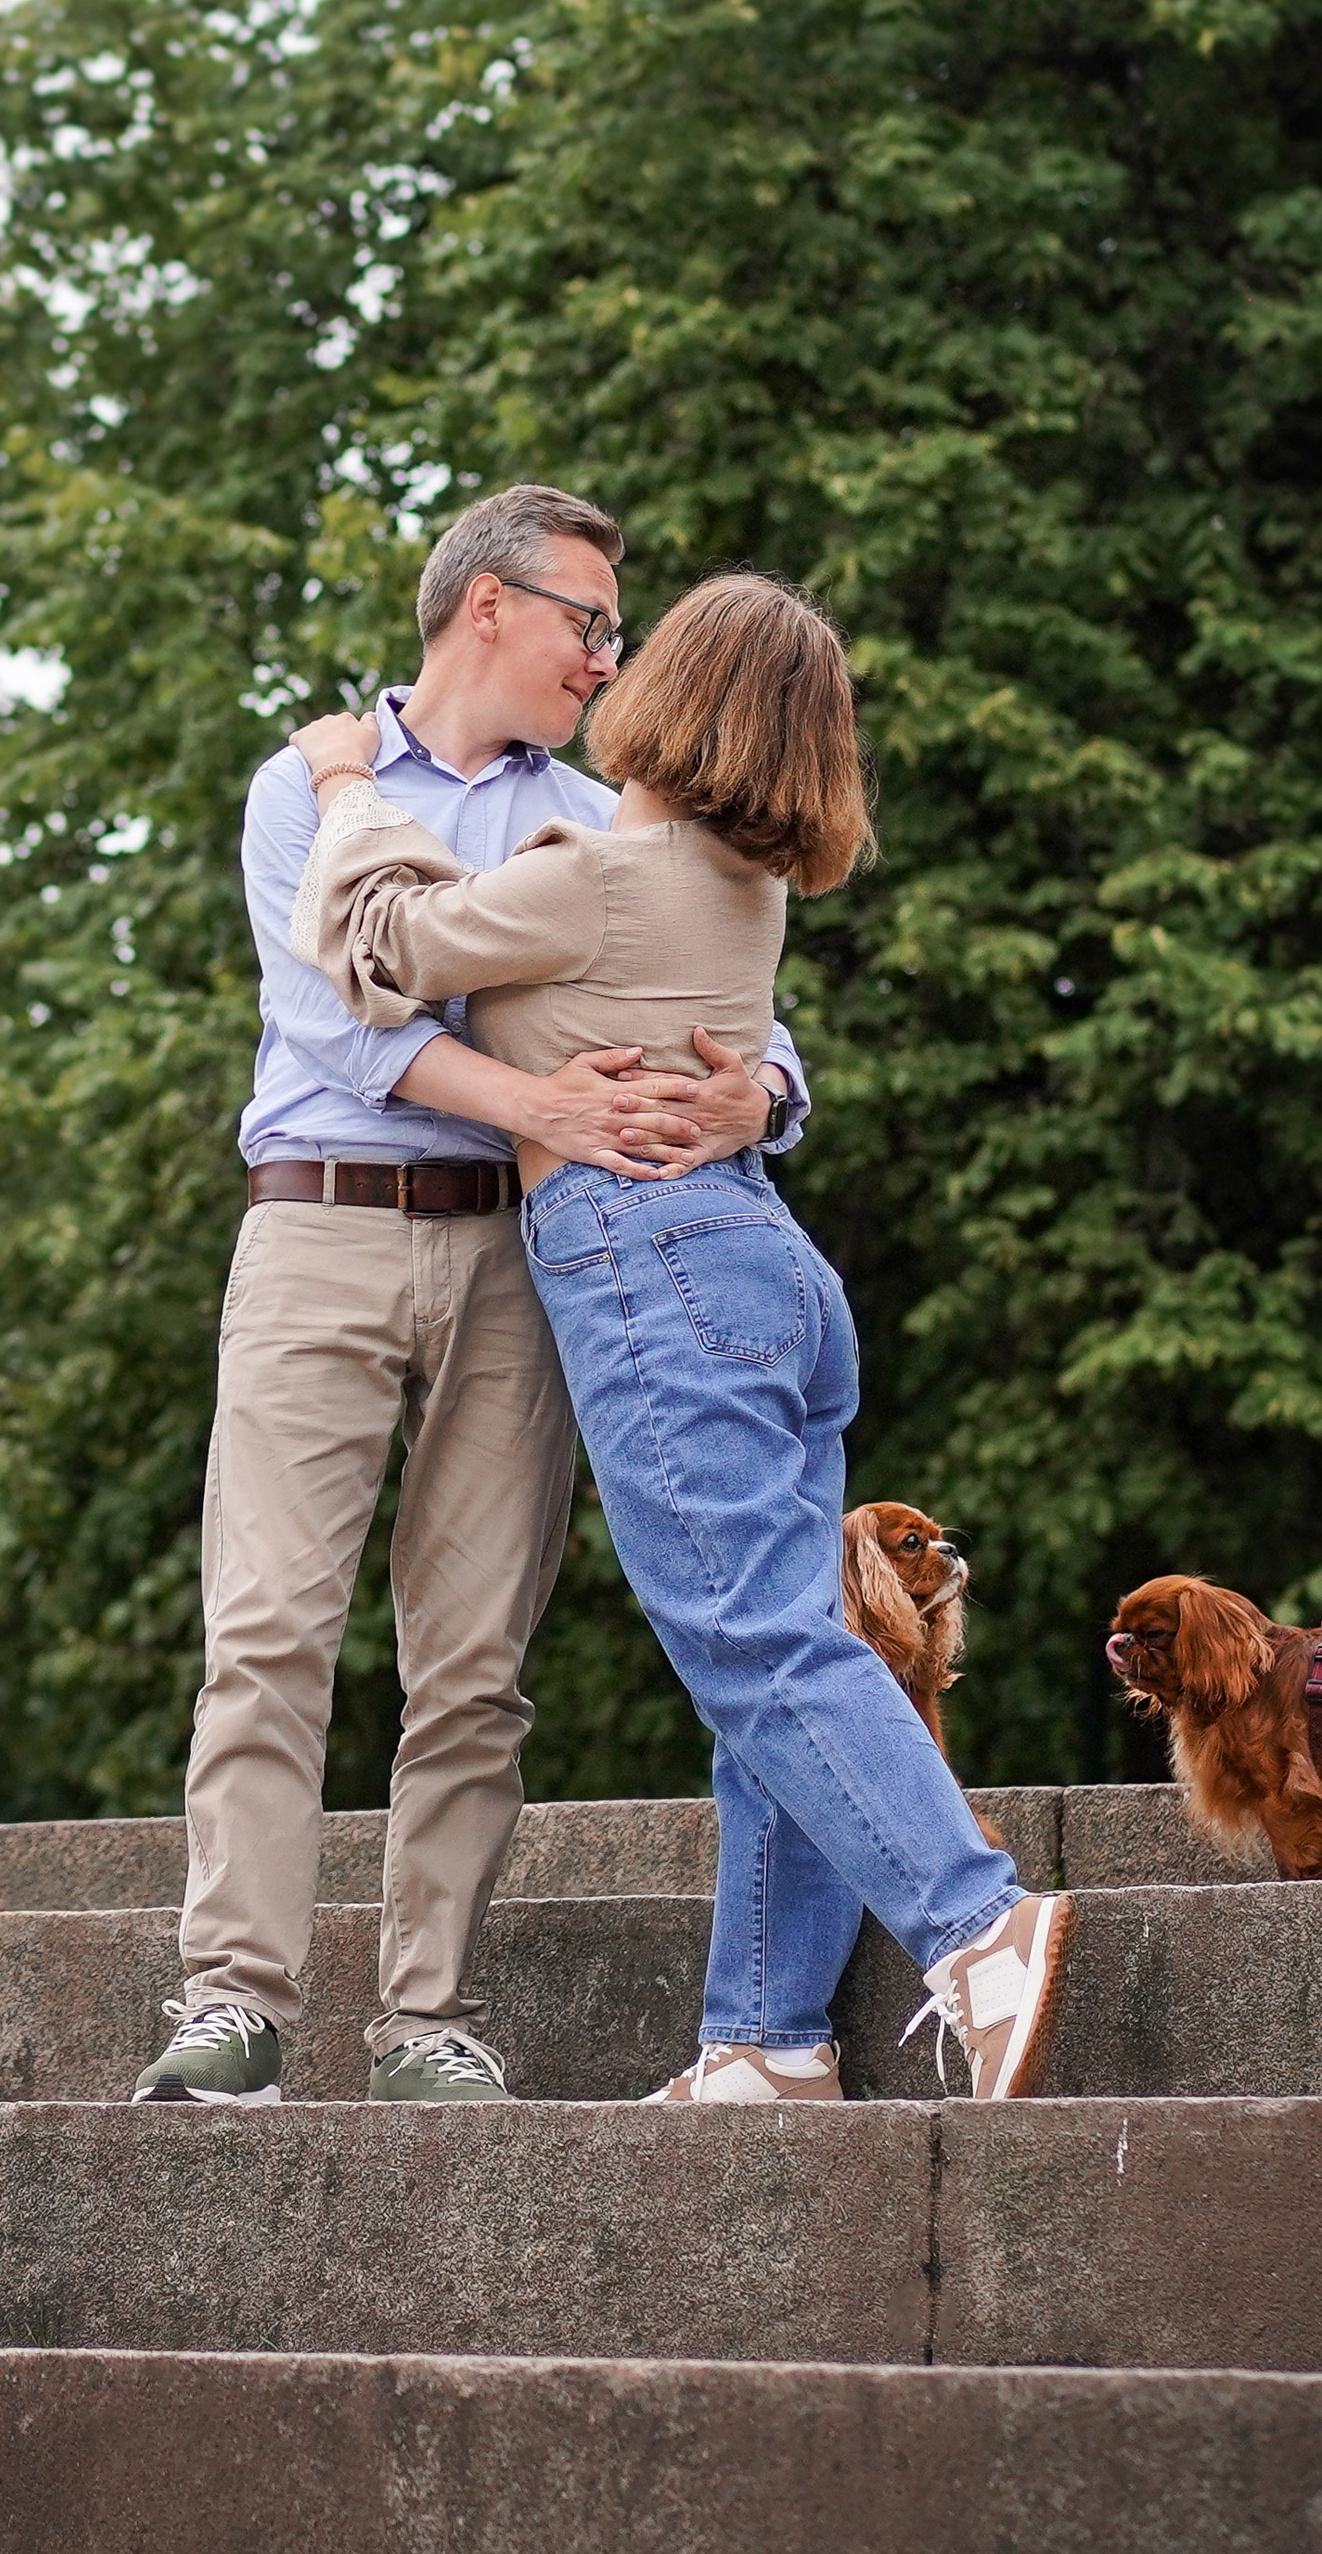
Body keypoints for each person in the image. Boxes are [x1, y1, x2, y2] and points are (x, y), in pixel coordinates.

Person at [288, 569, 1075, 2107]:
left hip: (649, 1264)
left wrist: (341, 779)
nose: (609, 661)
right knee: (774, 1641)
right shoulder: (736, 883)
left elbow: (375, 950)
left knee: (755, 1639)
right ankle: (768, 2039)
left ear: (677, 697)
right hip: (760, 1265)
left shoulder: (595, 875)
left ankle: (976, 1921)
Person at [131, 485, 812, 2111]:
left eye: (617, 630)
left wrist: (768, 1094)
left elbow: (724, 987)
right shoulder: (306, 786)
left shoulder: (601, 813)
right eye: (590, 620)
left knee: (475, 1659)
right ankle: (233, 2005)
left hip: (526, 1252)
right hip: (318, 1227)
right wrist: (544, 1103)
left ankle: (427, 2013)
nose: (609, 657)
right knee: (268, 1628)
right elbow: (343, 1017)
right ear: (486, 605)